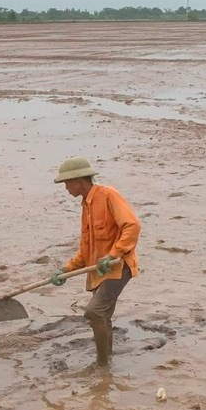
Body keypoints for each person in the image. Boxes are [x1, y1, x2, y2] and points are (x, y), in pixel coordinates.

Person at [50, 156, 141, 365]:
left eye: (66, 183)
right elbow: (86, 249)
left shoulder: (108, 195)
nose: (66, 188)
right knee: (103, 317)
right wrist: (65, 269)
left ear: (78, 180)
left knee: (94, 312)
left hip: (118, 267)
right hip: (101, 271)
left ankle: (102, 366)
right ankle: (107, 359)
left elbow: (132, 225)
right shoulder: (87, 205)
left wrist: (114, 254)